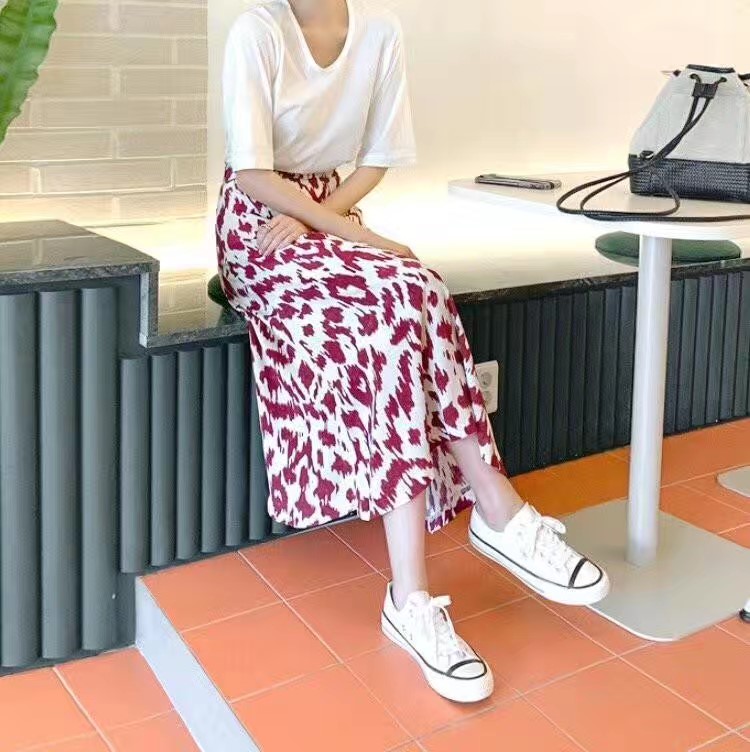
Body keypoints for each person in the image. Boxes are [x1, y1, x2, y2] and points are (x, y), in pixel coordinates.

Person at [217, 0, 609, 704]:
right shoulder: (258, 30)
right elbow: (252, 175)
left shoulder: (380, 30)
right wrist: (355, 234)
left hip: (327, 211)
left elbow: (377, 157)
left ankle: (422, 585)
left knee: (417, 288)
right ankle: (491, 518)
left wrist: (334, 220)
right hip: (260, 229)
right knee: (401, 291)